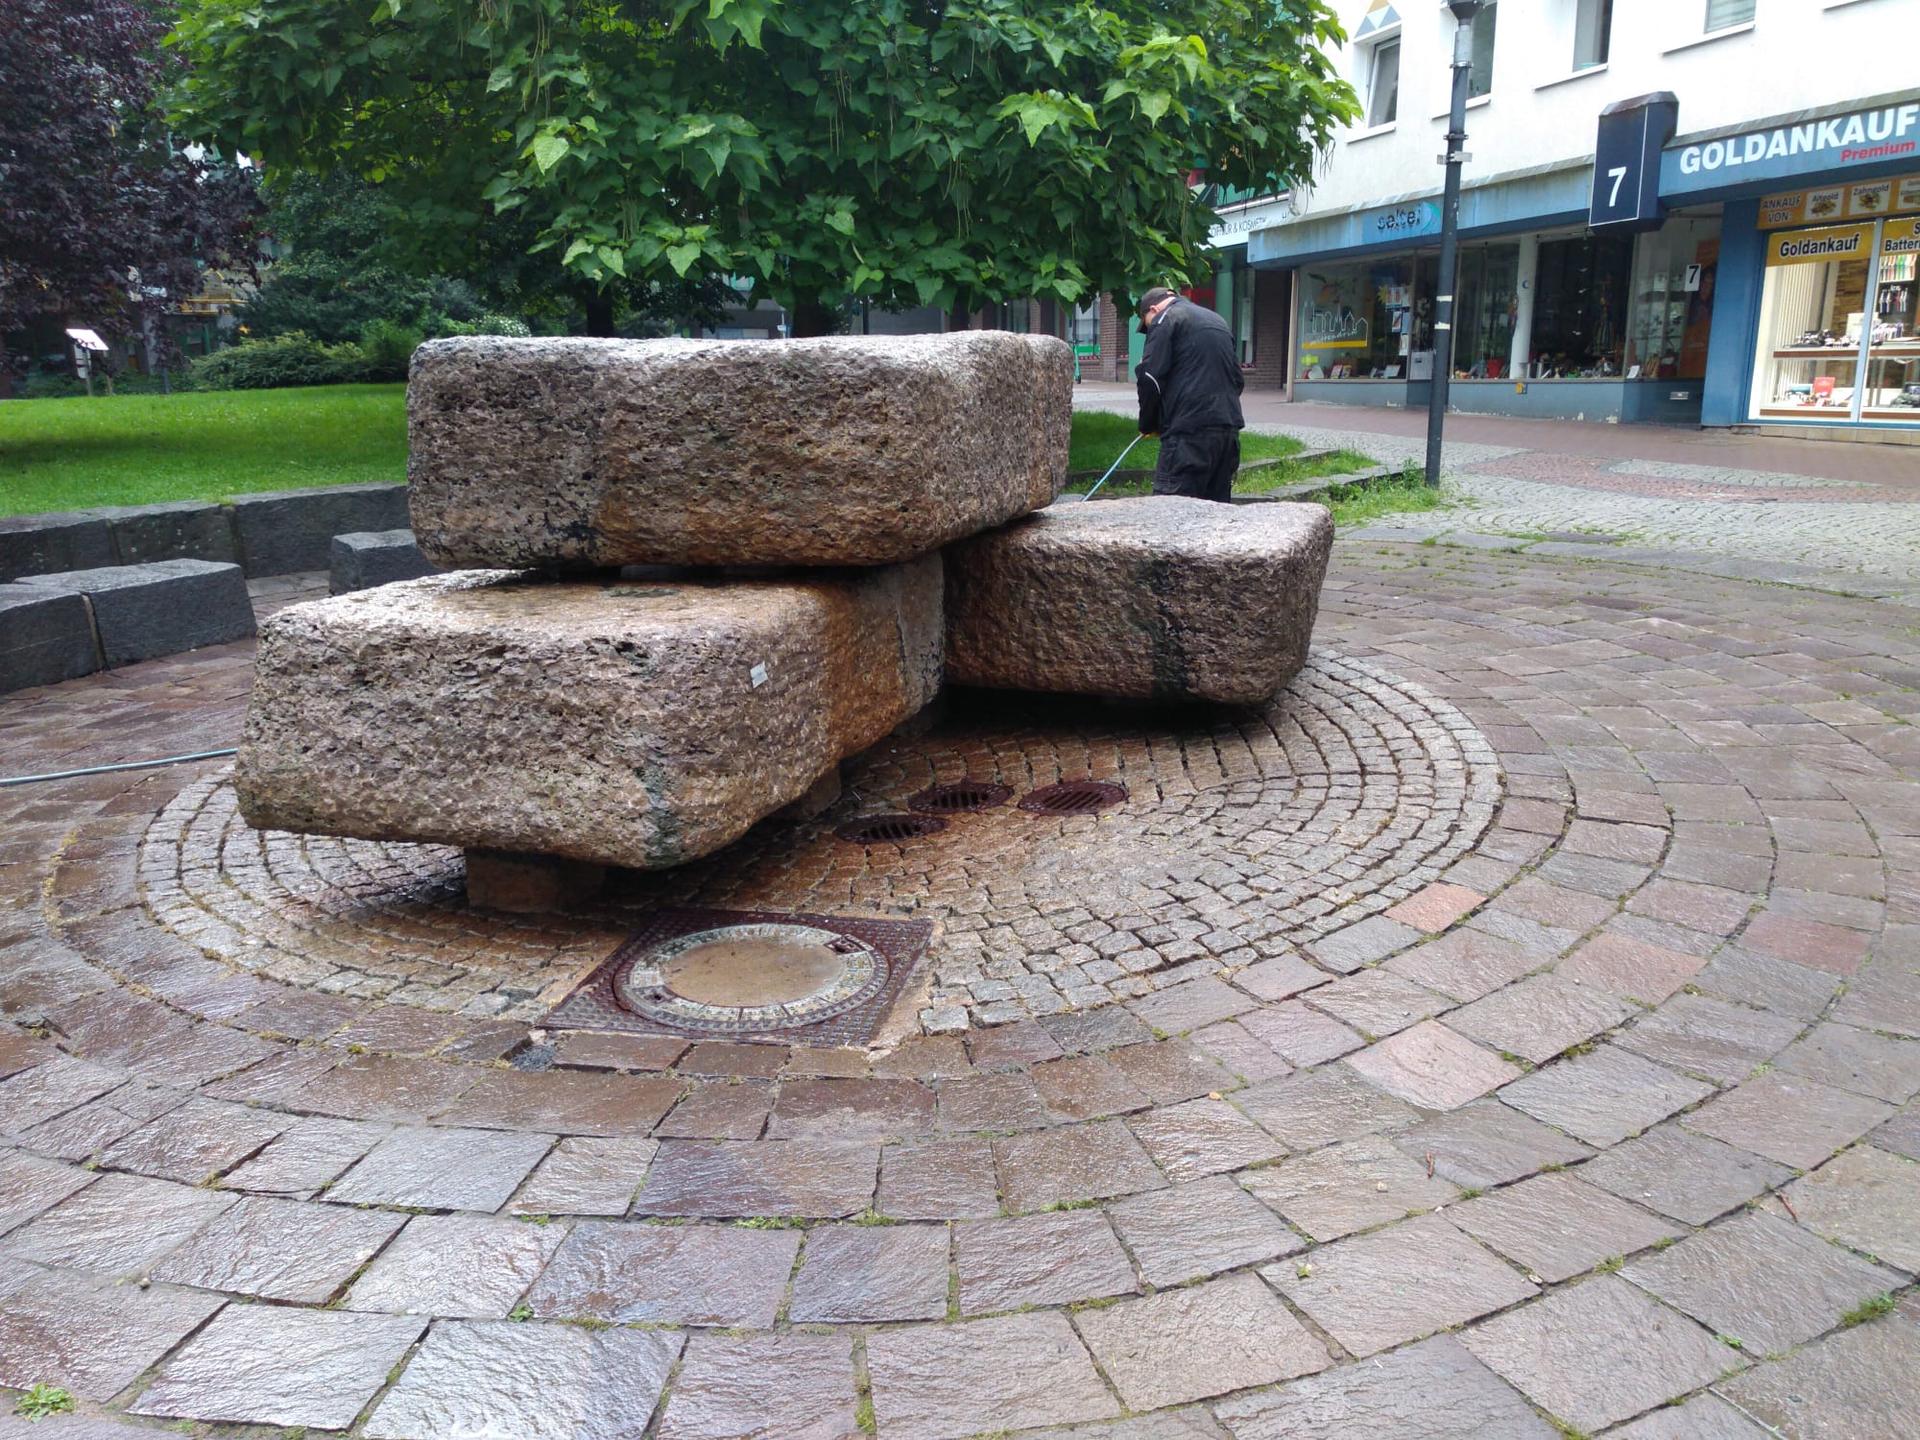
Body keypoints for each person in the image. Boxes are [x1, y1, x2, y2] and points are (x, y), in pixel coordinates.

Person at [1134, 285, 1245, 503]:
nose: (1149, 329)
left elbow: (1150, 379)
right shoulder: (1217, 321)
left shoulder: (1165, 319)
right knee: (1216, 516)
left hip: (1187, 438)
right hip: (1227, 434)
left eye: (1146, 325)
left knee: (1170, 515)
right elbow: (1237, 380)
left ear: (1153, 310)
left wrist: (1148, 424)